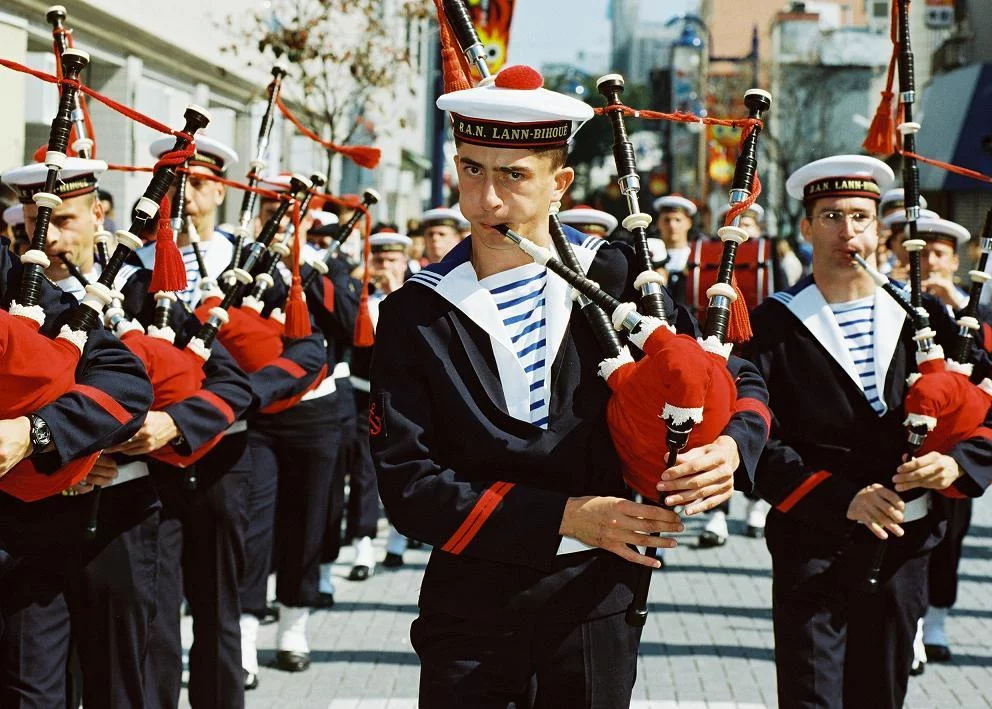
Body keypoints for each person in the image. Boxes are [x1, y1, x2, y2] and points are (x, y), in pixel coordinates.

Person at [371, 64, 770, 707]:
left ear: (560, 183)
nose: (487, 201)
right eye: (472, 169)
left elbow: (733, 373)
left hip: (596, 605)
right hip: (469, 609)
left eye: (513, 175)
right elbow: (408, 482)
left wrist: (729, 448)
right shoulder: (417, 311)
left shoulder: (615, 274)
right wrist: (566, 517)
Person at [742, 155, 992, 709]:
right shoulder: (770, 327)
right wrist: (842, 497)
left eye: (860, 216)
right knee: (813, 699)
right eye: (830, 216)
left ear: (880, 229)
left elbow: (984, 407)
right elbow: (757, 445)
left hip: (904, 545)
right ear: (806, 229)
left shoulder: (926, 317)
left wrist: (955, 464)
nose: (846, 231)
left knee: (880, 694)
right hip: (812, 542)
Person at [0, 154, 155, 707]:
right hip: (28, 520)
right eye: (36, 220)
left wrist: (46, 437)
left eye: (64, 220)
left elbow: (132, 388)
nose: (49, 236)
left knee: (115, 678)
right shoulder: (20, 285)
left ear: (98, 214)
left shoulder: (129, 288)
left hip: (114, 509)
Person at [910, 215, 975, 669]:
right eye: (923, 252)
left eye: (940, 254)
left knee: (950, 534)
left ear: (956, 261)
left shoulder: (972, 308)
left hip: (957, 440)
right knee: (909, 533)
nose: (931, 262)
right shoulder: (900, 299)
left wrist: (957, 303)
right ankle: (911, 626)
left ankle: (937, 621)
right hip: (911, 433)